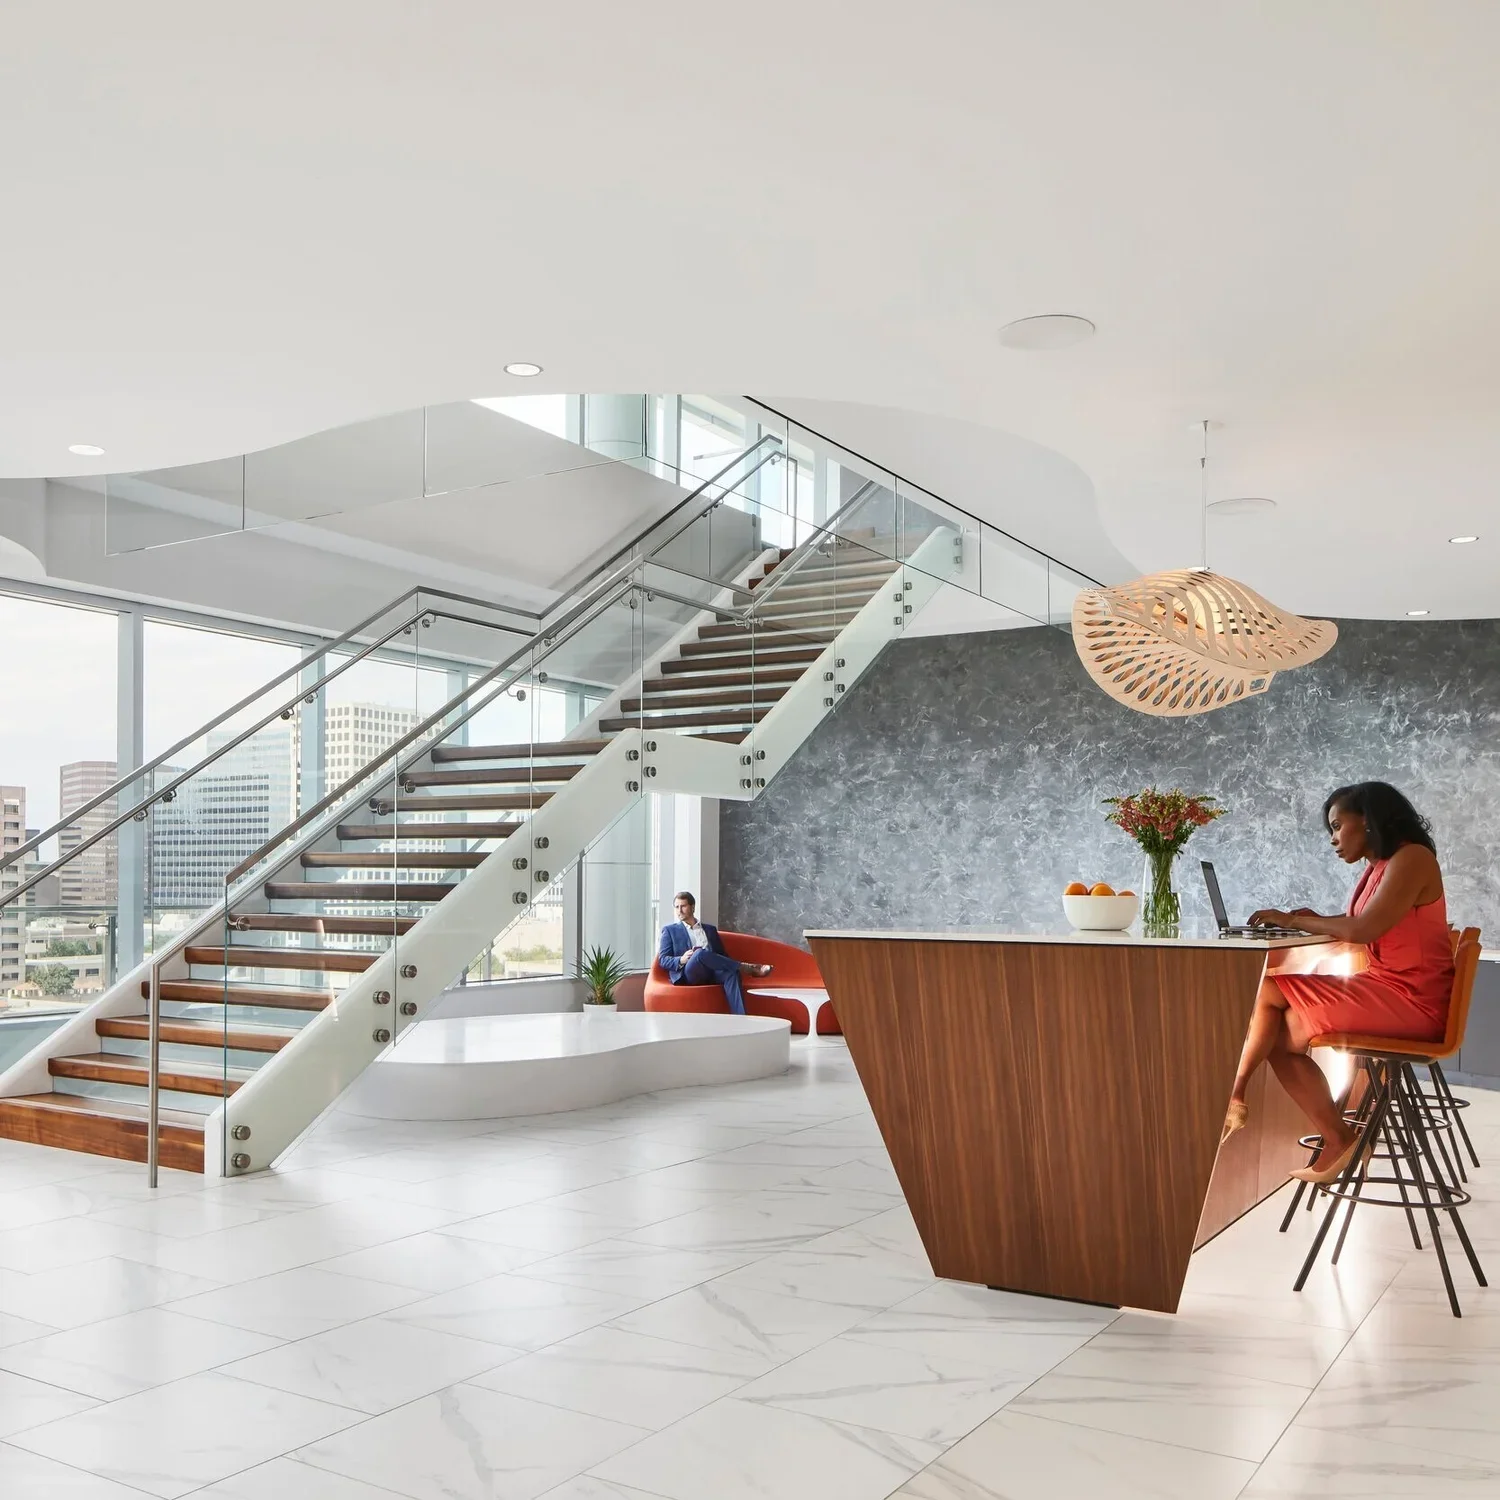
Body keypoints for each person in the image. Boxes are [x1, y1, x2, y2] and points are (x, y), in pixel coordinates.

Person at [1223, 781, 1455, 1185]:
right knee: (1280, 1036)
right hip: (1391, 991)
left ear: (1367, 820)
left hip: (1410, 1001)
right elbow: (1366, 923)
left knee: (1267, 990)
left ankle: (1234, 1092)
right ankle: (1338, 1137)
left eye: (1336, 826)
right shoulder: (1380, 866)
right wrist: (1318, 919)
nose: (1333, 839)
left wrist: (1293, 920)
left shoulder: (1412, 858)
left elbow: (1364, 928)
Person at [657, 891, 771, 1016]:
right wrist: (681, 959)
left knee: (732, 973)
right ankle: (748, 968)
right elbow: (663, 959)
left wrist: (727, 965)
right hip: (689, 973)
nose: (680, 910)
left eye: (683, 906)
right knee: (700, 953)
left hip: (712, 972)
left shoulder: (710, 930)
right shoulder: (670, 931)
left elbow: (721, 954)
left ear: (693, 907)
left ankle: (741, 1019)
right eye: (677, 907)